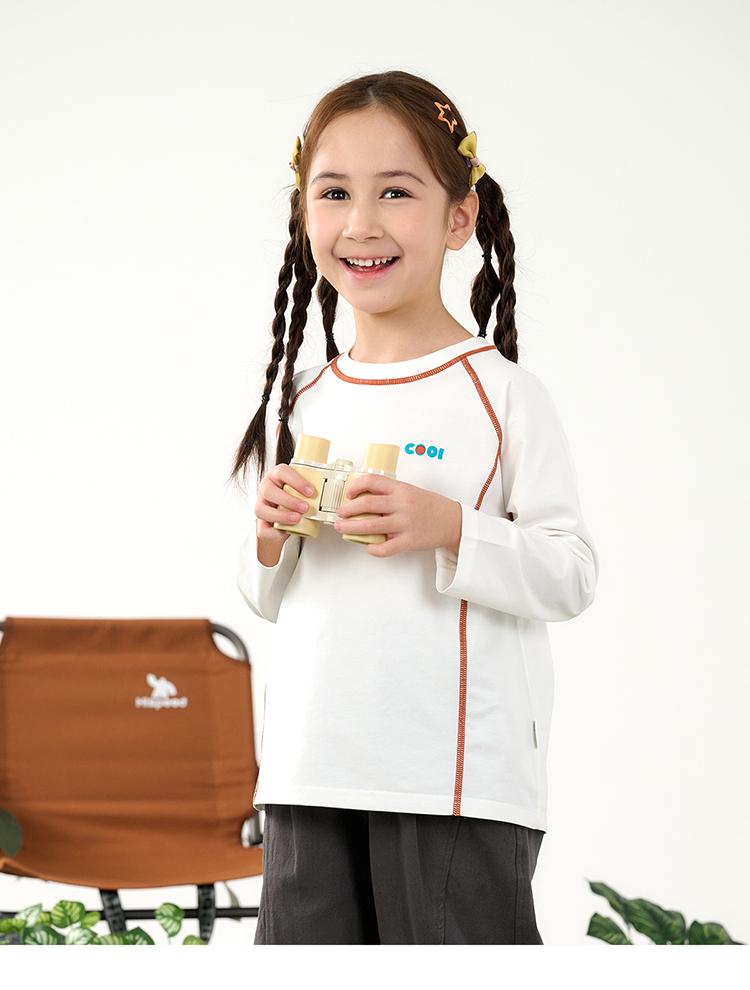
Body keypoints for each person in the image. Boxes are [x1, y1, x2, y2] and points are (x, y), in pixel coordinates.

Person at [232, 70, 598, 944]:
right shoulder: (303, 397)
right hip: (308, 770)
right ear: (304, 215)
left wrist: (451, 528)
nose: (361, 223)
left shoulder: (501, 395)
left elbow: (572, 573)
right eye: (334, 193)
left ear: (459, 218)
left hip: (454, 780)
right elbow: (268, 599)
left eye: (396, 191)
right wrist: (268, 537)